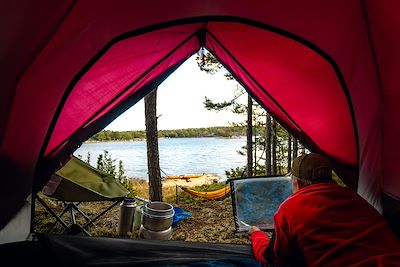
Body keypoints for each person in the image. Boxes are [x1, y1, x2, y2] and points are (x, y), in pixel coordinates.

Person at [248, 153, 400, 266]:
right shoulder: (354, 197)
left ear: (298, 184)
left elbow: (271, 258)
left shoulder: (291, 208)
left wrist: (256, 234)